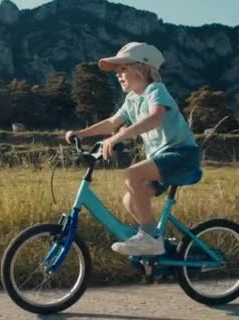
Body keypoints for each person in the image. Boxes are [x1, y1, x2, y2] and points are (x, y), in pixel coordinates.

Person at [65, 42, 201, 256]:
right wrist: (81, 134)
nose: (118, 75)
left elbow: (155, 117)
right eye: (117, 71)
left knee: (132, 174)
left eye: (123, 69)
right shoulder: (131, 100)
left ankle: (150, 238)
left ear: (142, 69)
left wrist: (118, 137)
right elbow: (111, 123)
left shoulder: (155, 90)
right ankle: (157, 244)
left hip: (182, 155)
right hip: (162, 160)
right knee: (130, 199)